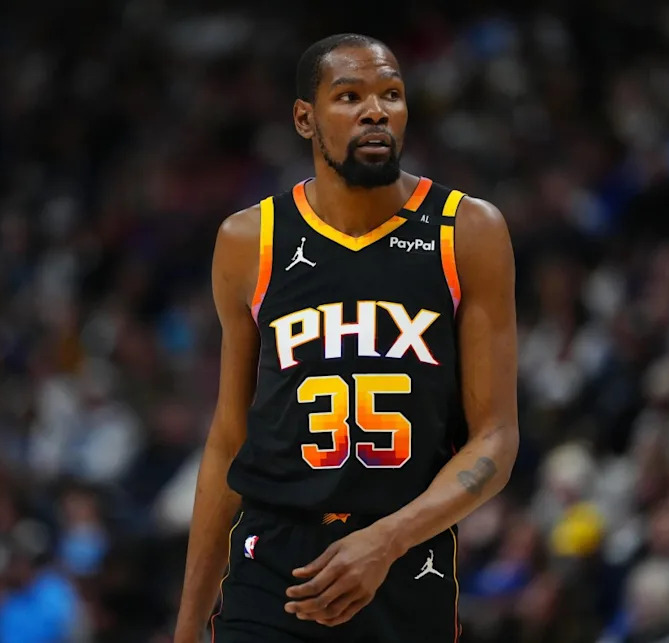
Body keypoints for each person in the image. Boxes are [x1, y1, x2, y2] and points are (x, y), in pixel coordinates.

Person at [173, 33, 519, 643]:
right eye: (350, 96)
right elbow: (229, 440)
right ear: (305, 118)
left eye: (391, 94)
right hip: (274, 557)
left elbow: (495, 440)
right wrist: (187, 624)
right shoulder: (249, 241)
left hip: (407, 553)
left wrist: (387, 540)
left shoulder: (466, 231)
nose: (376, 111)